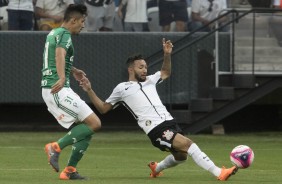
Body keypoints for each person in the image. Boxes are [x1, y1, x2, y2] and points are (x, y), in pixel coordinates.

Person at [79, 38, 238, 181]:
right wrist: (89, 90)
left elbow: (166, 72)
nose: (144, 70)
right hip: (155, 128)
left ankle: (157, 168)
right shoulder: (122, 88)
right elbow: (103, 108)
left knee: (181, 157)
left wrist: (167, 54)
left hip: (170, 122)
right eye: (141, 67)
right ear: (130, 69)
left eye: (145, 67)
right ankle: (219, 173)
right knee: (189, 145)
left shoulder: (150, 80)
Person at [41, 4, 101, 180]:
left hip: (57, 87)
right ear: (73, 20)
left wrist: (72, 70)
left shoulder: (54, 33)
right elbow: (59, 53)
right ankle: (55, 147)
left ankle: (69, 171)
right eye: (82, 21)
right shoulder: (65, 34)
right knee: (94, 124)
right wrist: (61, 77)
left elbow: (56, 56)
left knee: (87, 129)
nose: (83, 25)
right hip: (57, 89)